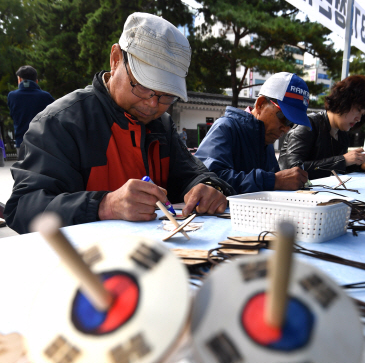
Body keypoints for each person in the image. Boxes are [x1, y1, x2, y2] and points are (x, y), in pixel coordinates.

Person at [4, 13, 233, 234]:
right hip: (82, 265)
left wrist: (209, 188)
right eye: (142, 85)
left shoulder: (161, 125)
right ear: (115, 59)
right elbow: (23, 208)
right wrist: (105, 205)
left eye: (167, 96)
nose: (153, 104)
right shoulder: (59, 123)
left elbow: (192, 174)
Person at [195, 73, 310, 193]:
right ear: (260, 104)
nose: (286, 129)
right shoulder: (226, 127)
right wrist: (273, 180)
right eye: (284, 118)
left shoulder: (266, 140)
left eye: (292, 123)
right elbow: (205, 178)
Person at [279, 75, 365, 179]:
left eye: (362, 114)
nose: (358, 119)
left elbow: (331, 169)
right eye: (358, 110)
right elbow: (292, 170)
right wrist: (343, 160)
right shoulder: (308, 125)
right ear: (344, 101)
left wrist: (358, 165)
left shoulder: (342, 134)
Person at [7, 65, 54, 160]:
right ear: (36, 81)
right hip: (42, 142)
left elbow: (13, 115)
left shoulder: (12, 96)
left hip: (22, 141)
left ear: (19, 79)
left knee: (22, 172)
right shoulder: (46, 96)